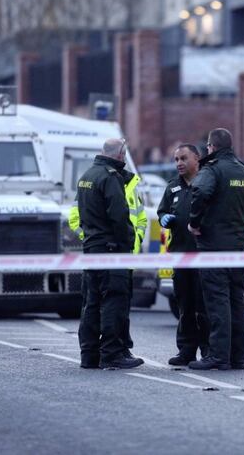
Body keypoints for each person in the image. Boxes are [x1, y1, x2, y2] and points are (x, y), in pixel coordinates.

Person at [187, 129, 244, 370]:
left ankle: (218, 356)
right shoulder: (243, 171)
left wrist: (195, 223)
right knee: (237, 300)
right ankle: (238, 357)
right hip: (238, 246)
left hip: (214, 247)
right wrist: (236, 226)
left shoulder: (212, 169)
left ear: (212, 146)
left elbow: (200, 192)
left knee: (217, 302)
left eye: (207, 147)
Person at [76, 138, 143, 369]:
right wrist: (127, 245)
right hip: (111, 250)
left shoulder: (87, 176)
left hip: (92, 249)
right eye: (124, 155)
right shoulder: (110, 177)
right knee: (114, 301)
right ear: (120, 155)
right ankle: (112, 354)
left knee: (92, 303)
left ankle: (89, 354)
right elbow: (119, 216)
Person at [157, 144, 210, 366]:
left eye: (183, 158)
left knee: (204, 305)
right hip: (180, 256)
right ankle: (186, 350)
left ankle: (208, 351)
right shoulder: (172, 188)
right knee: (184, 305)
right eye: (176, 159)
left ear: (196, 158)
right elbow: (162, 211)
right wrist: (163, 218)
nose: (178, 163)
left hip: (202, 255)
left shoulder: (207, 183)